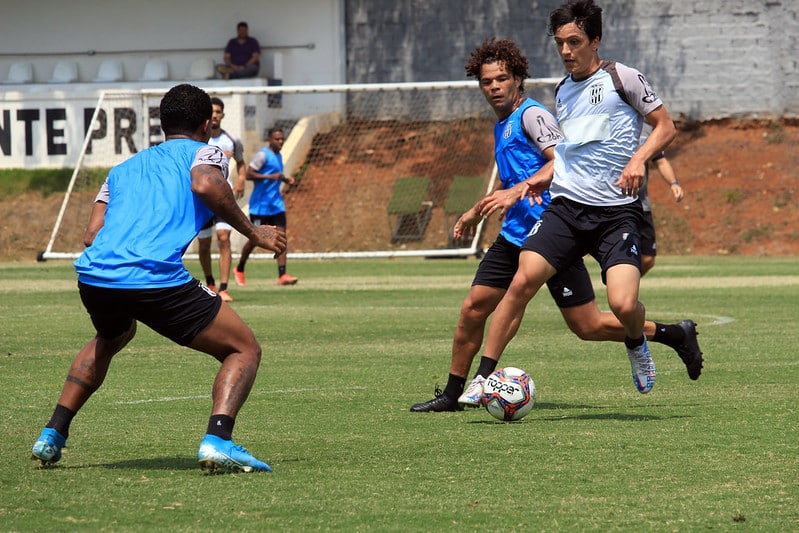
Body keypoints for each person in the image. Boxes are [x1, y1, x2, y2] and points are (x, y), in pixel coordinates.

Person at [411, 37, 702, 413]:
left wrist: (518, 192)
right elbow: (521, 177)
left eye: (501, 79)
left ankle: (670, 334)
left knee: (589, 325)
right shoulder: (504, 124)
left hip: (557, 225)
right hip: (517, 233)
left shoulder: (533, 115)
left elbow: (556, 162)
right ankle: (455, 392)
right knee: (473, 307)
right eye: (487, 82)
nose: (494, 87)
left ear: (517, 79)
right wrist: (477, 208)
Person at [31, 84, 286, 474]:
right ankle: (218, 440)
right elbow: (204, 183)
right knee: (243, 348)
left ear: (163, 124)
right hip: (154, 278)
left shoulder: (122, 169)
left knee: (111, 337)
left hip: (95, 276)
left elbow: (90, 236)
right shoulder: (209, 151)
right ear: (206, 124)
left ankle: (52, 434)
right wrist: (254, 232)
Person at [475, 0, 687, 400]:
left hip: (616, 214)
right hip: (567, 210)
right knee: (521, 280)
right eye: (560, 44)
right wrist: (538, 181)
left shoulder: (622, 77)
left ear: (595, 40)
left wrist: (639, 159)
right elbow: (570, 152)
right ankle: (483, 378)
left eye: (574, 42)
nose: (566, 51)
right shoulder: (563, 90)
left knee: (624, 305)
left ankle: (636, 342)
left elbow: (665, 125)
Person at [197, 97, 247, 302]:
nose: (215, 115)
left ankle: (224, 288)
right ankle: (210, 283)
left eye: (218, 112)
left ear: (223, 115)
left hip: (223, 198)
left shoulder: (232, 139)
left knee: (224, 238)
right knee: (204, 244)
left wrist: (241, 180)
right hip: (203, 199)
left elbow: (241, 163)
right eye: (212, 112)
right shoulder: (199, 139)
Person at [234, 126, 298, 286]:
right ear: (270, 139)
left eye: (282, 138)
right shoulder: (263, 155)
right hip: (260, 206)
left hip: (276, 204)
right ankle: (240, 268)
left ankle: (282, 275)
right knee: (255, 239)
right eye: (277, 139)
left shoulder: (279, 155)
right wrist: (270, 176)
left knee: (282, 236)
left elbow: (275, 176)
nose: (280, 141)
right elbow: (249, 174)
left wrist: (284, 179)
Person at [638, 124, 684, 275]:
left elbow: (660, 160)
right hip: (615, 204)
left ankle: (621, 290)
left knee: (647, 259)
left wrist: (674, 183)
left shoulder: (647, 128)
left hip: (642, 205)